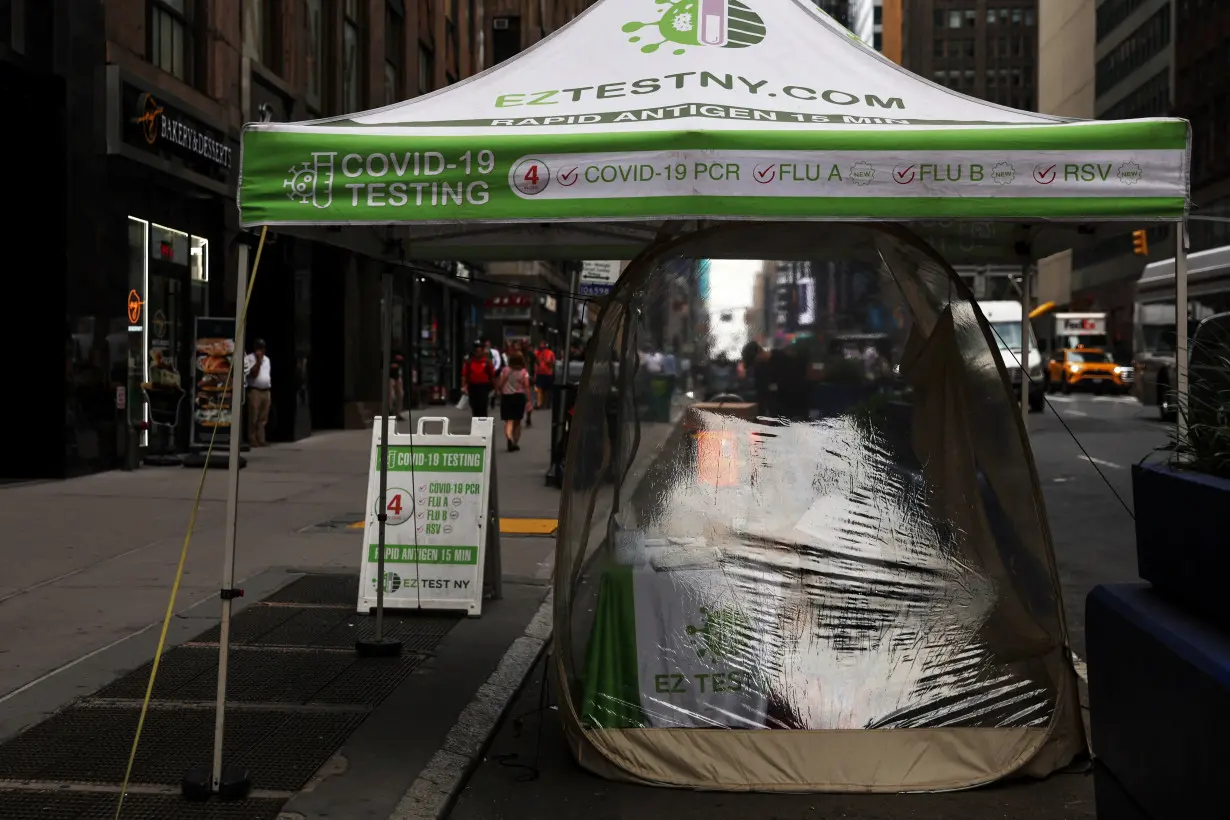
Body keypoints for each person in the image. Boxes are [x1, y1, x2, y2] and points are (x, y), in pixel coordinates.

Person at [497, 351, 532, 452]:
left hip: (507, 397)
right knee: (517, 422)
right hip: (519, 397)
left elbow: (500, 384)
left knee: (508, 421)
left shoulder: (505, 370)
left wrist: (500, 391)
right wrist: (529, 400)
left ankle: (509, 438)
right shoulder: (524, 372)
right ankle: (515, 442)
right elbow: (527, 386)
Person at [244, 338, 272, 446]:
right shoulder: (250, 358)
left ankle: (261, 439)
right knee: (253, 416)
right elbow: (254, 374)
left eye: (262, 348)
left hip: (266, 390)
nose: (260, 351)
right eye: (258, 348)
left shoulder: (267, 360)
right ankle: (252, 438)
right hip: (255, 390)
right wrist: (258, 361)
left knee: (263, 417)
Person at [461, 342, 494, 422]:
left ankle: (484, 425)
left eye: (480, 350)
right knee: (474, 406)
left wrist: (494, 387)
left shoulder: (487, 362)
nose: (478, 353)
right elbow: (464, 375)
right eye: (476, 351)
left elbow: (492, 375)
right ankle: (476, 425)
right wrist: (463, 386)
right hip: (473, 386)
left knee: (483, 406)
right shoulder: (469, 362)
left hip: (483, 386)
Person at [534, 339, 556, 409]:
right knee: (538, 389)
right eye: (540, 344)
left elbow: (553, 363)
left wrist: (549, 363)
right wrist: (535, 373)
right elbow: (536, 364)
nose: (541, 345)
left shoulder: (550, 353)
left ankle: (546, 404)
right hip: (540, 373)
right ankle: (539, 403)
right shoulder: (537, 352)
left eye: (542, 344)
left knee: (547, 390)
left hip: (548, 374)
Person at [389, 353, 406, 419]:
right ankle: (390, 411)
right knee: (391, 395)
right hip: (390, 376)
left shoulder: (399, 351)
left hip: (397, 376)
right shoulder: (388, 353)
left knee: (400, 394)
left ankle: (398, 413)